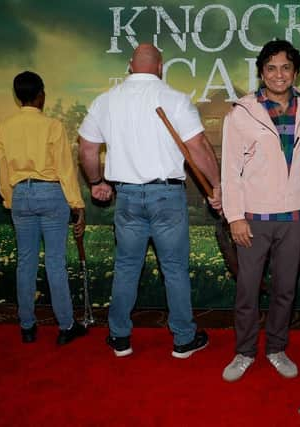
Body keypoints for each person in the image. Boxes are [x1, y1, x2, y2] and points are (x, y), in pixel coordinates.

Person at [78, 44, 222, 359]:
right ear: (160, 66)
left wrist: (96, 181)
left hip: (127, 196)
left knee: (127, 267)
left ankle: (119, 338)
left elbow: (87, 149)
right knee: (174, 269)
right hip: (167, 196)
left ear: (131, 66)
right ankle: (183, 340)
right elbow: (197, 146)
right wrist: (218, 185)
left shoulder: (106, 101)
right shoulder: (175, 98)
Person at [221, 39, 300, 382]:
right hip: (253, 220)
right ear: (262, 72)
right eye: (271, 68)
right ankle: (244, 352)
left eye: (286, 67)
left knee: (286, 290)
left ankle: (276, 348)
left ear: (295, 71)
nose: (279, 75)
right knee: (247, 290)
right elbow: (229, 170)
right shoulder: (241, 113)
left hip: (294, 217)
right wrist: (234, 216)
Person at [0, 71, 87, 345]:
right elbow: (65, 169)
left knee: (25, 262)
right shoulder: (53, 126)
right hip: (51, 194)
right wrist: (76, 204)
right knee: (55, 263)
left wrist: (10, 200)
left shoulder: (3, 127)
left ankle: (27, 326)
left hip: (20, 194)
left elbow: (2, 171)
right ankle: (67, 327)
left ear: (17, 95)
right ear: (41, 95)